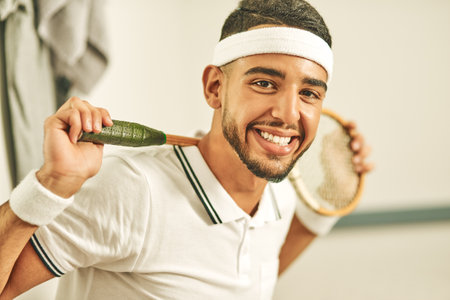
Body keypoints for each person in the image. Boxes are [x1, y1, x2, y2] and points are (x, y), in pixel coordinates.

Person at [0, 0, 373, 299]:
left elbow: (250, 277)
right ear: (215, 87)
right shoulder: (133, 191)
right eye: (264, 82)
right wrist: (51, 183)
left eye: (309, 93)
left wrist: (335, 191)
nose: (287, 113)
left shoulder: (280, 196)